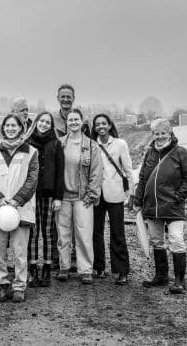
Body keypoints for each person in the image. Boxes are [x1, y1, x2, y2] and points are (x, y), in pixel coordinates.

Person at [133, 119, 187, 294]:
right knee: (156, 240)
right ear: (153, 135)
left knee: (176, 239)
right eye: (156, 133)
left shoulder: (180, 152)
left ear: (170, 134)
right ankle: (161, 276)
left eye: (163, 133)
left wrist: (178, 197)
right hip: (152, 206)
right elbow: (143, 178)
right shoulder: (150, 154)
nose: (160, 137)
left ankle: (179, 280)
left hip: (173, 207)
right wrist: (138, 201)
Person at [0, 114, 38, 303]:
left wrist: (17, 201)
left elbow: (32, 179)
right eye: (7, 125)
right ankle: (1, 285)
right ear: (3, 128)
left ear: (21, 128)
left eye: (14, 125)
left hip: (20, 208)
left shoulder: (31, 152)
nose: (11, 128)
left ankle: (19, 287)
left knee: (20, 250)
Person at [56, 109, 103, 284]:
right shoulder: (59, 144)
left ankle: (85, 270)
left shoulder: (91, 146)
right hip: (63, 197)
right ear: (66, 122)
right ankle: (64, 267)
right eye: (70, 119)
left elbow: (97, 173)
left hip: (83, 197)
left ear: (82, 122)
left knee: (84, 234)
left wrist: (91, 194)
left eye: (76, 119)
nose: (73, 122)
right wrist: (55, 196)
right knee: (63, 233)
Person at [92, 114, 134, 285]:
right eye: (97, 124)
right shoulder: (92, 145)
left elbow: (128, 169)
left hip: (115, 193)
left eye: (104, 123)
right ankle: (99, 267)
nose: (101, 126)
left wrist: (131, 193)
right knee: (96, 232)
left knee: (117, 232)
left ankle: (121, 270)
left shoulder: (120, 144)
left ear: (109, 126)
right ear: (94, 128)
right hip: (96, 193)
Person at [26, 112, 64, 287]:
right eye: (41, 121)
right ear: (36, 122)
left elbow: (59, 173)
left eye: (47, 122)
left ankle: (47, 267)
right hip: (30, 195)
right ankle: (32, 267)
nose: (44, 124)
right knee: (32, 233)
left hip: (49, 195)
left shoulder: (55, 144)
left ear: (51, 125)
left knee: (48, 233)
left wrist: (58, 197)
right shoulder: (27, 142)